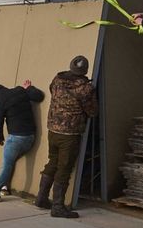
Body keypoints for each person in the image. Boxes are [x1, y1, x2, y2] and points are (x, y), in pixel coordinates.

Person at [35, 55, 97, 218]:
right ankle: (57, 207)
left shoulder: (57, 80)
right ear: (85, 70)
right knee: (64, 168)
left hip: (53, 130)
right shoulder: (86, 89)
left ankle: (41, 198)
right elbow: (92, 111)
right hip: (70, 134)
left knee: (53, 162)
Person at [0, 79, 45, 201]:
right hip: (30, 137)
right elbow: (39, 96)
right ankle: (5, 187)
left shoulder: (0, 101)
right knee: (10, 161)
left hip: (16, 137)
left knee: (7, 164)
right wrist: (29, 89)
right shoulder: (20, 91)